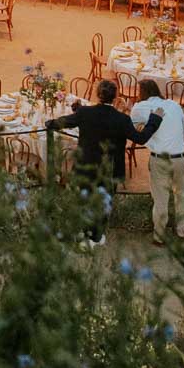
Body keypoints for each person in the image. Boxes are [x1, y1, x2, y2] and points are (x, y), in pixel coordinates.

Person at [45, 80, 160, 245]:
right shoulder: (122, 119)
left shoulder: (85, 112)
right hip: (109, 169)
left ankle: (82, 232)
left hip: (85, 165)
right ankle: (96, 236)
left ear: (98, 94)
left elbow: (64, 122)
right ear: (115, 97)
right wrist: (154, 120)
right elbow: (141, 139)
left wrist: (50, 124)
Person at [131, 78, 184, 245]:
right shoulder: (174, 105)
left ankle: (159, 236)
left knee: (160, 197)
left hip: (160, 158)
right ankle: (182, 230)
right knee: (181, 194)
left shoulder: (139, 107)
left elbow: (134, 129)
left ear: (141, 93)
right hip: (179, 156)